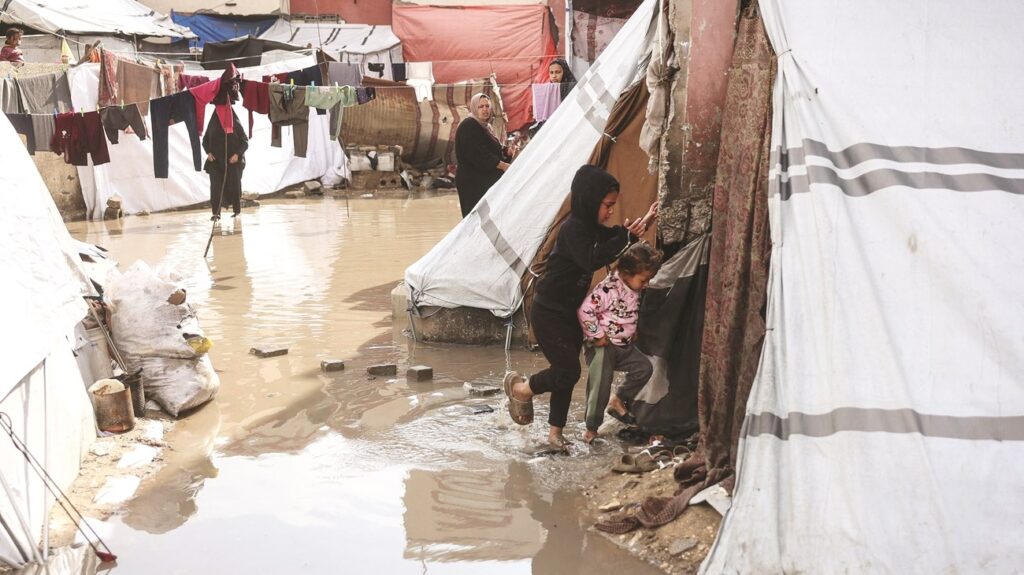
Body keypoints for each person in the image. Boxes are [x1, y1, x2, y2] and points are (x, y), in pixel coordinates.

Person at [503, 165, 658, 446]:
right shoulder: (573, 230)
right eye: (607, 205)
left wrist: (635, 231)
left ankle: (555, 434)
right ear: (589, 200)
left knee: (566, 373)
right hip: (549, 312)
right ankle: (522, 389)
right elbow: (592, 258)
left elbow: (613, 238)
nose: (611, 211)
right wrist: (625, 238)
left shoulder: (590, 228)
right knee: (568, 371)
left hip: (570, 313)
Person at [577, 242, 662, 444]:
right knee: (600, 386)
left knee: (644, 368)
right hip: (603, 346)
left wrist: (631, 330)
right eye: (644, 280)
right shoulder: (609, 289)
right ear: (626, 273)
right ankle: (591, 429)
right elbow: (585, 310)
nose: (646, 284)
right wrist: (597, 335)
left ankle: (617, 400)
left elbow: (626, 312)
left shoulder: (633, 287)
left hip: (623, 346)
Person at [203, 65, 248, 221]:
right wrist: (208, 153)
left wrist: (237, 154)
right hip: (216, 161)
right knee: (216, 188)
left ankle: (237, 212)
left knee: (234, 185)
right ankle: (216, 213)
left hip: (232, 161)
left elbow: (245, 141)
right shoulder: (213, 122)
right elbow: (205, 141)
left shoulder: (235, 122)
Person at [454, 93, 510, 218]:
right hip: (472, 183)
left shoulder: (486, 127)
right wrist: (502, 165)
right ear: (474, 108)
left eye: (487, 106)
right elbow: (478, 154)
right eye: (481, 107)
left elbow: (493, 149)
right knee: (474, 219)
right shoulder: (469, 125)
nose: (485, 109)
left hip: (481, 180)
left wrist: (507, 152)